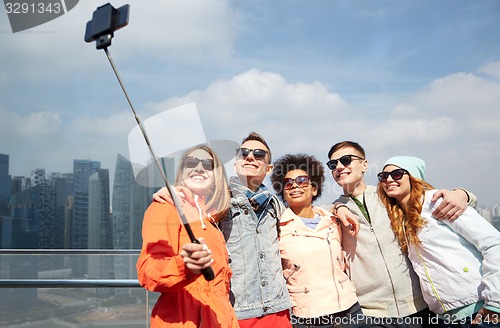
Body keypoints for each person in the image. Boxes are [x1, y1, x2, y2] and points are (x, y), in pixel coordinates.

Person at [327, 141, 476, 327]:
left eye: (346, 160)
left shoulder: (389, 195)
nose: (339, 167)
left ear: (365, 165)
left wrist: (464, 194)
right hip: (370, 312)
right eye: (333, 165)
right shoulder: (330, 213)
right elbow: (309, 213)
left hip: (419, 307)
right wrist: (337, 206)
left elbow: (430, 198)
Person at [153, 132, 293, 328]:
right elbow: (194, 199)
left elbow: (306, 216)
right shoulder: (218, 199)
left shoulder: (276, 206)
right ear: (235, 164)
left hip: (278, 310)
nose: (250, 157)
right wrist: (175, 191)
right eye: (243, 153)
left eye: (259, 154)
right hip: (237, 311)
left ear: (269, 169)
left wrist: (338, 207)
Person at [377, 156, 500, 327]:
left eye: (397, 174)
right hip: (442, 318)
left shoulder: (437, 202)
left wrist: (495, 303)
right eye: (383, 176)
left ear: (413, 178)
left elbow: (493, 244)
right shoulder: (398, 218)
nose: (389, 179)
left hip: (478, 309)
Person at [136, 144, 238, 328]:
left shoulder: (213, 223)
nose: (199, 167)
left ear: (216, 176)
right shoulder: (166, 206)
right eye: (191, 162)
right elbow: (148, 272)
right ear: (181, 172)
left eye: (208, 165)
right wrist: (185, 266)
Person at [270, 153, 366, 328]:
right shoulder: (276, 227)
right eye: (288, 183)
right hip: (308, 317)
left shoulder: (333, 220)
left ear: (314, 189)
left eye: (301, 181)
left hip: (349, 311)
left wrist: (338, 206)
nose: (294, 186)